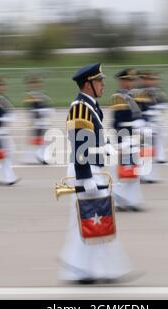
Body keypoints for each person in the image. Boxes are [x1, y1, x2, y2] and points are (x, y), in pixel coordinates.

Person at [58, 63, 132, 284]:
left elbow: (95, 139)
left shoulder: (91, 107)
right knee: (94, 220)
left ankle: (85, 269)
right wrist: (85, 177)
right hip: (88, 170)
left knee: (90, 221)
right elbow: (79, 143)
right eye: (99, 81)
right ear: (88, 84)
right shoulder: (80, 107)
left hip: (94, 168)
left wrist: (111, 148)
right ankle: (98, 269)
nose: (103, 84)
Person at [110, 68, 145, 212]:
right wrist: (121, 140)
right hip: (124, 137)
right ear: (121, 81)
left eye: (131, 80)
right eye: (127, 80)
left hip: (134, 137)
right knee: (122, 172)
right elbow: (118, 121)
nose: (129, 83)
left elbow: (140, 115)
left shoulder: (135, 95)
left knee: (134, 171)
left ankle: (133, 201)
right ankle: (120, 201)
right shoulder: (118, 97)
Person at [21, 75, 53, 164]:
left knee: (41, 140)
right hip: (37, 121)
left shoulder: (41, 95)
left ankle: (37, 157)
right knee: (40, 140)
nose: (36, 85)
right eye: (34, 83)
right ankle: (39, 157)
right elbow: (31, 109)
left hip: (42, 121)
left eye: (37, 83)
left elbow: (45, 106)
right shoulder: (31, 96)